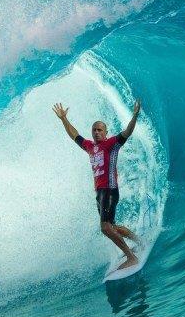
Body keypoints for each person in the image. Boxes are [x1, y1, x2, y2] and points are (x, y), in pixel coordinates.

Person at [53, 99, 142, 269]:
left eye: (100, 130)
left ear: (106, 132)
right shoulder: (89, 146)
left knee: (105, 228)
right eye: (94, 130)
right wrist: (64, 119)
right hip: (100, 192)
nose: (96, 132)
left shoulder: (111, 144)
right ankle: (140, 242)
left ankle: (131, 257)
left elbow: (127, 132)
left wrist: (135, 115)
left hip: (109, 190)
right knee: (112, 226)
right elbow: (74, 135)